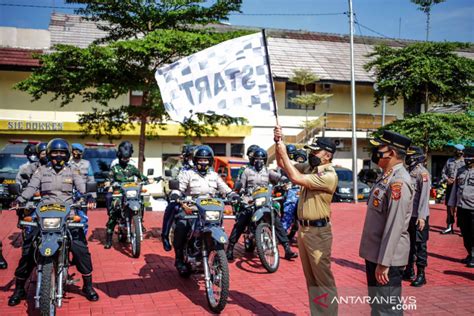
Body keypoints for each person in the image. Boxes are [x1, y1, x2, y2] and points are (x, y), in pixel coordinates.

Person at [8, 138, 98, 306]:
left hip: (67, 211)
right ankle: (19, 288)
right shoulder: (41, 171)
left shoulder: (73, 170)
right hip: (44, 212)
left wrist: (90, 197)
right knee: (29, 247)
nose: (58, 156)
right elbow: (31, 188)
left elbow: (82, 187)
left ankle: (88, 285)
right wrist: (19, 199)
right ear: (49, 154)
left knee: (80, 248)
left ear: (68, 155)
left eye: (62, 153)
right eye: (55, 153)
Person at [274, 126, 339, 316]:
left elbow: (295, 177)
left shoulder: (328, 176)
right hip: (304, 230)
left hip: (319, 233)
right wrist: (279, 142)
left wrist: (284, 151)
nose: (311, 154)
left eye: (315, 151)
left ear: (327, 156)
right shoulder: (311, 168)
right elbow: (282, 165)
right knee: (311, 280)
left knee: (323, 280)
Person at [359, 130, 414, 315]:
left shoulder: (399, 182)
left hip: (387, 259)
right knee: (377, 306)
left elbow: (395, 225)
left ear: (390, 153)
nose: (376, 153)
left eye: (379, 148)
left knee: (387, 309)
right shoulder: (387, 176)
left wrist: (384, 262)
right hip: (376, 253)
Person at [172, 145, 239, 274]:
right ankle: (179, 260)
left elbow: (225, 189)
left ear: (210, 161)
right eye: (200, 160)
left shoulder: (214, 175)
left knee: (219, 228)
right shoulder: (188, 174)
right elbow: (179, 188)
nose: (203, 163)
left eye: (206, 160)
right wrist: (176, 194)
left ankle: (216, 256)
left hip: (210, 209)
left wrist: (233, 195)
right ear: (195, 160)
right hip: (191, 208)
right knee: (181, 226)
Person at [226, 148, 297, 261]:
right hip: (250, 199)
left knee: (276, 220)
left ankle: (287, 249)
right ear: (253, 160)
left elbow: (279, 177)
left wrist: (286, 181)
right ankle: (230, 248)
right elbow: (240, 185)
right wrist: (239, 191)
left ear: (265, 160)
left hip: (265, 199)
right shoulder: (247, 171)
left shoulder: (267, 171)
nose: (259, 161)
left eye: (262, 159)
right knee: (241, 220)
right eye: (257, 159)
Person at [104, 142, 151, 249]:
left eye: (127, 158)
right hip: (119, 194)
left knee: (141, 203)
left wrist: (149, 179)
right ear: (120, 156)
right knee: (114, 212)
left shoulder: (132, 168)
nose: (126, 160)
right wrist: (109, 184)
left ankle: (139, 221)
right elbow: (108, 179)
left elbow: (141, 176)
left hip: (131, 193)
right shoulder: (114, 168)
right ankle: (109, 239)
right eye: (124, 158)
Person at [403, 146, 431, 287]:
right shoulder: (407, 172)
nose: (407, 158)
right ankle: (409, 270)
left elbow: (424, 198)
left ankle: (421, 274)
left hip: (419, 216)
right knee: (408, 244)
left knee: (420, 245)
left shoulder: (422, 173)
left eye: (410, 156)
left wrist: (422, 217)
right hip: (408, 216)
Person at [161, 144, 195, 251]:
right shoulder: (180, 168)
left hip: (200, 200)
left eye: (195, 157)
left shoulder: (206, 170)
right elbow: (170, 179)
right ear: (185, 157)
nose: (193, 160)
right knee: (172, 207)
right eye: (191, 157)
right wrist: (173, 193)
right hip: (182, 198)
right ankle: (165, 235)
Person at [448, 147, 474, 268]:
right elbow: (454, 189)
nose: (467, 160)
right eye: (466, 157)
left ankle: (473, 256)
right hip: (461, 207)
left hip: (473, 208)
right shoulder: (460, 170)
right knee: (465, 233)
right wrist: (452, 205)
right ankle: (470, 253)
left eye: (470, 157)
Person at [440, 144, 465, 234]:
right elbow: (443, 172)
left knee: (461, 208)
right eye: (458, 150)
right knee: (450, 207)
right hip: (451, 187)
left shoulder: (465, 162)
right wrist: (447, 179)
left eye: (461, 151)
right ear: (455, 151)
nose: (459, 152)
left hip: (461, 188)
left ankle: (462, 228)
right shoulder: (449, 161)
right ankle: (449, 227)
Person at [69, 143, 96, 219]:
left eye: (79, 152)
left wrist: (92, 197)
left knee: (83, 217)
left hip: (83, 194)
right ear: (72, 152)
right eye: (75, 151)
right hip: (70, 194)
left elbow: (91, 180)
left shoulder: (87, 164)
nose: (77, 154)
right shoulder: (68, 164)